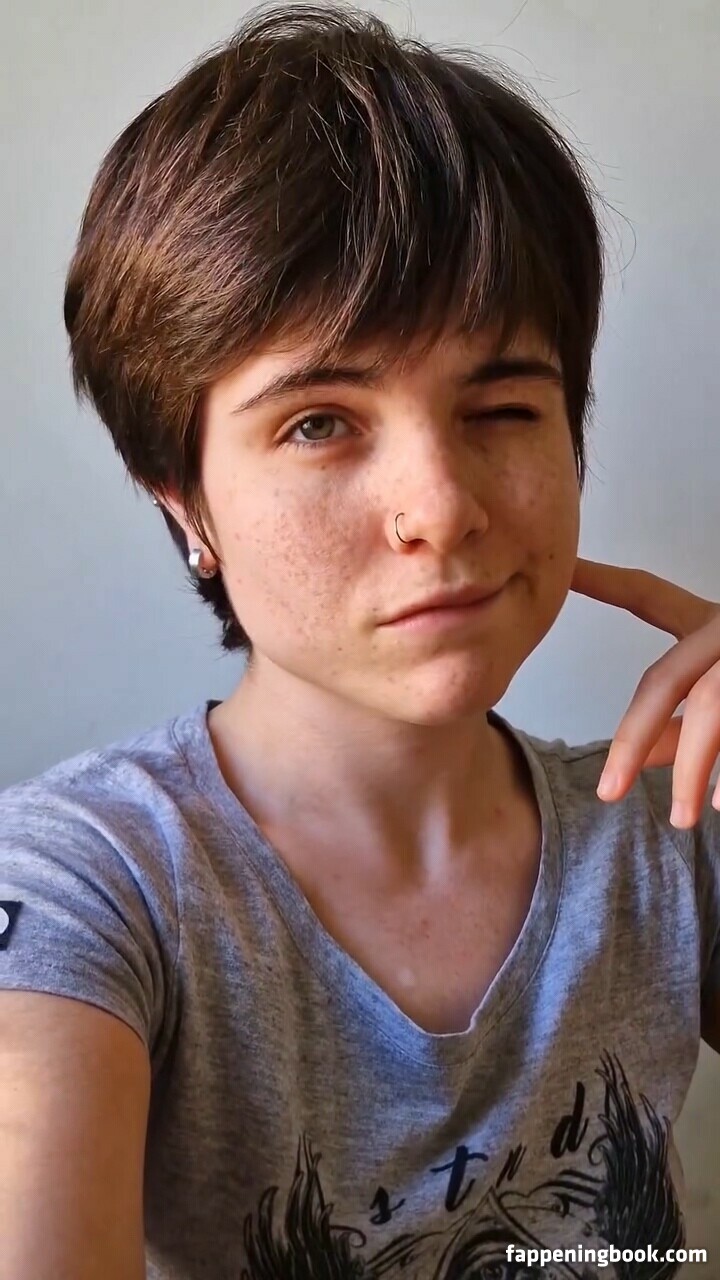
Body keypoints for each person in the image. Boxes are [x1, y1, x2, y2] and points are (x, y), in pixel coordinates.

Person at [1, 4, 719, 1277]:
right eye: (320, 423)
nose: (441, 506)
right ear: (186, 500)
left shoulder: (672, 836)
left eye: (502, 407)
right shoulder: (88, 883)